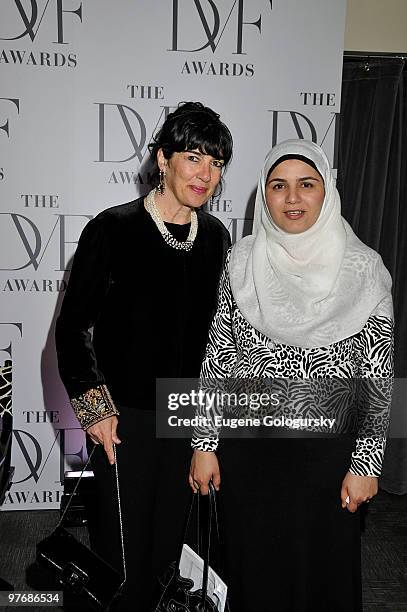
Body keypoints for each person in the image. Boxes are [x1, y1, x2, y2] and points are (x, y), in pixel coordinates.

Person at [189, 139, 394, 612]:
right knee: (252, 574)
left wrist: (367, 466)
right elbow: (218, 361)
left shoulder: (364, 269)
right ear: (265, 195)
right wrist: (204, 444)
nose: (293, 198)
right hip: (249, 455)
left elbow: (378, 382)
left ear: (328, 192)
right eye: (279, 186)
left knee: (320, 578)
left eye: (307, 185)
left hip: (326, 461)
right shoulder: (242, 261)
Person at [55, 101, 233, 610]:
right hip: (122, 419)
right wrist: (95, 409)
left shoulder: (217, 240)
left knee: (166, 560)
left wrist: (206, 435)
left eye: (216, 163)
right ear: (163, 158)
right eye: (195, 157)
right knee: (121, 557)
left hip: (184, 417)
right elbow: (72, 329)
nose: (206, 174)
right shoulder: (113, 229)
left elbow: (221, 345)